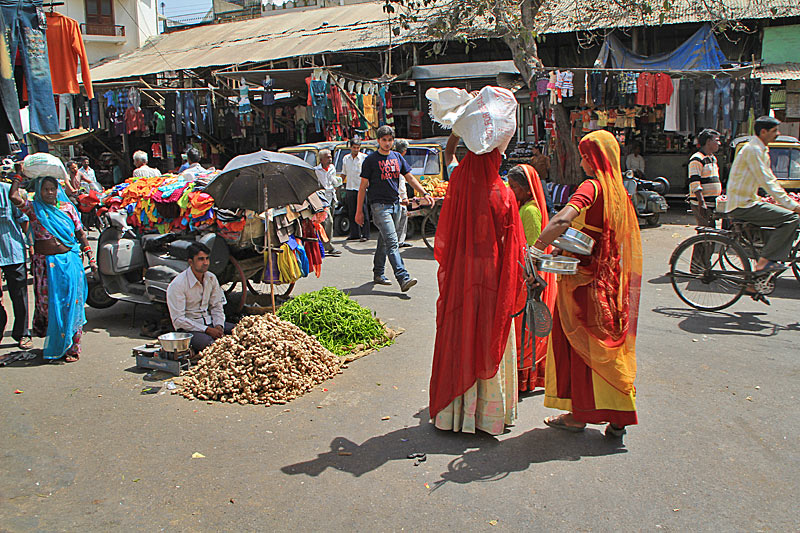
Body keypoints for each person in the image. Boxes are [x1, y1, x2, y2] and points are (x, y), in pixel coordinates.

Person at [532, 130, 642, 438]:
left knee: (578, 346)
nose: (581, 161)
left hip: (581, 284)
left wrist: (538, 247)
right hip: (609, 282)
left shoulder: (591, 187)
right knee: (609, 345)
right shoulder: (620, 191)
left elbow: (563, 221)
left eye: (583, 155)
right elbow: (590, 237)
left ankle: (578, 416)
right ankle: (619, 416)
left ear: (593, 159)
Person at [429, 135, 524, 435]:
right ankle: (488, 416)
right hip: (492, 278)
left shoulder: (458, 183)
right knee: (488, 334)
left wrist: (459, 132)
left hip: (462, 275)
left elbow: (449, 154)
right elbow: (514, 247)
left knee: (461, 331)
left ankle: (453, 414)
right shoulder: (504, 194)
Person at [9, 155, 94, 362]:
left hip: (69, 261)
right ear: (39, 191)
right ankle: (56, 342)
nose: (49, 193)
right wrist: (18, 175)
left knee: (70, 304)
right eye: (45, 189)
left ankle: (73, 349)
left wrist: (90, 255)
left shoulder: (67, 209)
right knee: (49, 306)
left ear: (58, 190)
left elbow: (80, 232)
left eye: (53, 189)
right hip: (45, 266)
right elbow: (13, 197)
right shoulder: (34, 209)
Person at [355, 125, 432, 291]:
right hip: (379, 207)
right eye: (384, 140)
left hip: (396, 205)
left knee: (384, 241)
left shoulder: (397, 157)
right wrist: (359, 211)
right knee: (392, 242)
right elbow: (362, 187)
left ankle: (378, 273)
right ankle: (403, 277)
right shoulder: (371, 160)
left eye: (390, 140)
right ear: (378, 141)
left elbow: (410, 177)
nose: (387, 143)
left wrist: (424, 193)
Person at [724, 116, 800, 273]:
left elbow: (770, 179)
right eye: (774, 131)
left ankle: (758, 277)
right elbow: (768, 182)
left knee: (776, 225)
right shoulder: (754, 150)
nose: (777, 134)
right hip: (743, 205)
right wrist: (793, 206)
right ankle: (764, 262)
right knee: (792, 218)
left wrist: (785, 201)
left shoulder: (760, 149)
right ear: (763, 132)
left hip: (749, 201)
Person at [506, 165, 557, 392]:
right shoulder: (524, 207)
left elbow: (534, 248)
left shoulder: (529, 211)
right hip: (525, 275)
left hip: (529, 279)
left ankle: (525, 378)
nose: (512, 191)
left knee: (525, 329)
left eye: (515, 187)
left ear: (527, 190)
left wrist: (531, 278)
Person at [166, 242, 234, 353]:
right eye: (201, 259)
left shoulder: (211, 278)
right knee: (212, 345)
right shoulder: (178, 284)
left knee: (242, 332)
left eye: (207, 259)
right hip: (190, 329)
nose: (205, 263)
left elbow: (217, 305)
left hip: (210, 322)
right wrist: (206, 330)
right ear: (191, 262)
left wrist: (219, 325)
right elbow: (178, 320)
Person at [0, 173, 32, 349]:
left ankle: (23, 333)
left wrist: (31, 245)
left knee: (19, 296)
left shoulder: (7, 192)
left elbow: (23, 220)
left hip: (12, 252)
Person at [687, 129, 722, 269]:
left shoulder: (712, 158)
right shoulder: (696, 159)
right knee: (705, 234)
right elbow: (695, 183)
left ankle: (701, 263)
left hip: (712, 203)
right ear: (708, 142)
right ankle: (699, 265)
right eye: (716, 140)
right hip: (702, 203)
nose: (719, 143)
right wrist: (701, 202)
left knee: (709, 234)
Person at [314, 149, 342, 256]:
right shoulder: (316, 170)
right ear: (321, 159)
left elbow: (333, 181)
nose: (330, 159)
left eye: (330, 157)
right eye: (327, 157)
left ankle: (323, 244)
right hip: (322, 199)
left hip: (331, 198)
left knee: (328, 223)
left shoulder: (332, 168)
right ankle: (328, 246)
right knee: (328, 221)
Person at [341, 138, 369, 241]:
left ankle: (365, 234)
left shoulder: (364, 158)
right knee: (352, 211)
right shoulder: (345, 159)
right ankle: (355, 234)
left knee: (363, 211)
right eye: (354, 148)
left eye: (358, 148)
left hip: (361, 188)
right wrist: (339, 183)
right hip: (350, 188)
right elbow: (344, 173)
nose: (356, 150)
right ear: (350, 147)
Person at [393, 138, 412, 248]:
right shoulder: (398, 160)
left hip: (395, 197)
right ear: (404, 151)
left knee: (401, 219)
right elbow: (400, 181)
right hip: (398, 198)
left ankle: (399, 240)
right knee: (399, 219)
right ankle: (397, 241)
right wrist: (404, 197)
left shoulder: (393, 158)